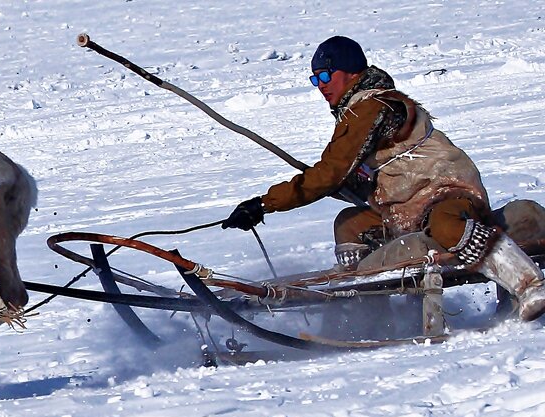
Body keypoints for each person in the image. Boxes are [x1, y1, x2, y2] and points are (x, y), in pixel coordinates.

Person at [222, 35, 545, 321]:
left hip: (444, 191)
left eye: (325, 75)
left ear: (350, 73)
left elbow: (330, 172)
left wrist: (265, 204)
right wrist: (350, 184)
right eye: (314, 78)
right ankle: (366, 310)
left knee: (447, 224)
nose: (320, 84)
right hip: (406, 205)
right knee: (350, 223)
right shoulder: (356, 111)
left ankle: (528, 285)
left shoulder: (373, 106)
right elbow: (353, 174)